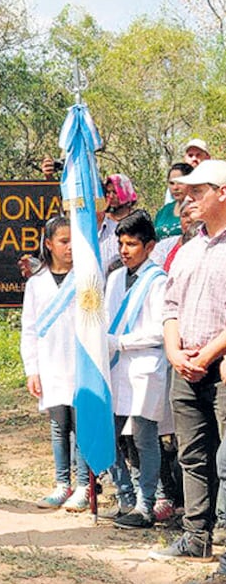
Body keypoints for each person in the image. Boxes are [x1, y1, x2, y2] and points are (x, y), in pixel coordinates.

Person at [145, 161, 226, 584]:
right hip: (186, 364)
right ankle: (197, 537)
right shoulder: (189, 249)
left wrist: (209, 354)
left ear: (223, 193)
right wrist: (176, 352)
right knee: (192, 455)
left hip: (221, 366)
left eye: (197, 192)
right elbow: (170, 306)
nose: (187, 199)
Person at [19, 216, 92, 512]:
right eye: (63, 241)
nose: (70, 247)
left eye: (74, 241)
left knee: (82, 424)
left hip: (81, 363)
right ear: (48, 244)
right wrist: (32, 369)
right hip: (50, 363)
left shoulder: (86, 277)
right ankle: (63, 483)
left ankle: (85, 485)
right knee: (58, 425)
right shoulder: (36, 283)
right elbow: (29, 328)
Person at [103, 210, 169, 530]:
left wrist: (120, 342)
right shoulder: (115, 277)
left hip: (145, 366)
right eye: (121, 244)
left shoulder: (159, 281)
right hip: (116, 366)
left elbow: (159, 331)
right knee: (106, 435)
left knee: (144, 438)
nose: (124, 250)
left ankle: (146, 505)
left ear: (150, 246)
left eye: (131, 244)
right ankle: (125, 495)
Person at [155, 163, 193, 240]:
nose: (175, 188)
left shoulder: (197, 210)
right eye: (171, 183)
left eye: (180, 182)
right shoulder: (164, 211)